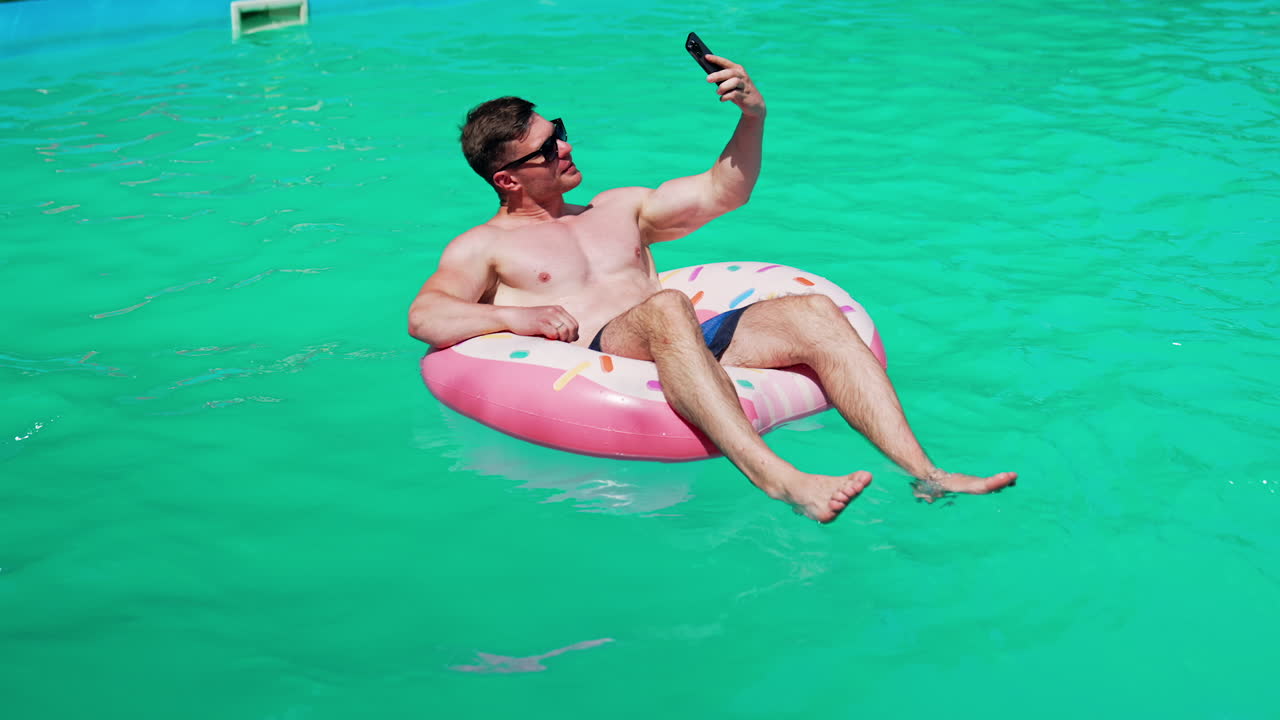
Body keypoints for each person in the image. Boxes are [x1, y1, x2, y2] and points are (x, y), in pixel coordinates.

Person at [408, 52, 1016, 523]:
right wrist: (522, 318)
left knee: (812, 312)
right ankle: (780, 477)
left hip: (682, 341)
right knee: (666, 306)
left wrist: (752, 115)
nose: (565, 145)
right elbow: (426, 316)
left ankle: (927, 472)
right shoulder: (483, 246)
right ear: (508, 180)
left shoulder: (620, 208)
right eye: (547, 147)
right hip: (606, 355)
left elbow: (724, 190)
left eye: (559, 129)